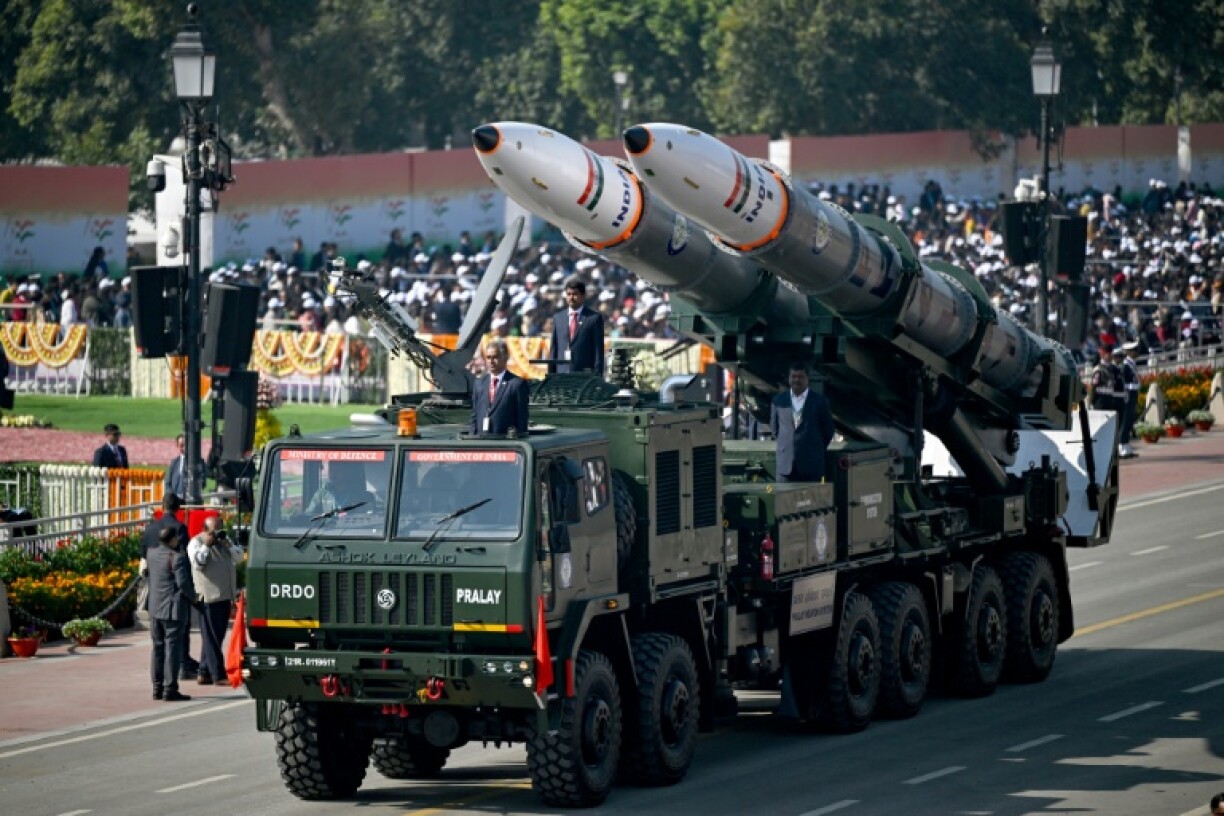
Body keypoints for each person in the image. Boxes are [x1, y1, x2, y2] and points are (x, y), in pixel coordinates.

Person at [145, 494, 196, 701]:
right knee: (172, 649)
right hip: (173, 608)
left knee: (157, 647)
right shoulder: (177, 557)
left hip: (155, 606)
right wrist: (194, 598)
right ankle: (170, 688)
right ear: (174, 539)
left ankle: (157, 687)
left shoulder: (151, 553)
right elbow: (183, 583)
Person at [187, 516, 243, 686]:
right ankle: (218, 674)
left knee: (215, 637)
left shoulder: (224, 542)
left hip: (224, 596)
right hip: (208, 598)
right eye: (214, 531)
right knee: (211, 637)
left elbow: (239, 558)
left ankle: (204, 672)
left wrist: (229, 545)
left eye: (220, 529)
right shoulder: (195, 542)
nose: (217, 534)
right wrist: (207, 544)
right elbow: (198, 563)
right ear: (205, 530)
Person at [770, 361, 835, 482]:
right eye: (793, 376)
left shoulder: (820, 402)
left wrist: (813, 448)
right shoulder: (778, 401)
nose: (796, 380)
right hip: (786, 468)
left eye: (800, 377)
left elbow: (828, 431)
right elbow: (775, 430)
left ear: (807, 379)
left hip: (811, 467)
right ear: (789, 378)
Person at [471, 339, 529, 437]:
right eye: (488, 357)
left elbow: (522, 419)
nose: (491, 361)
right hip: (480, 443)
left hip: (505, 444)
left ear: (505, 357)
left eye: (495, 357)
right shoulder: (479, 383)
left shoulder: (516, 384)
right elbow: (474, 417)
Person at [549, 277, 605, 375]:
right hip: (561, 375)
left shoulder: (593, 318)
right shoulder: (558, 318)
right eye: (569, 294)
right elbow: (554, 349)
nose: (571, 297)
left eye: (575, 294)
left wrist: (597, 377)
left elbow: (598, 351)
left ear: (583, 296)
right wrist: (551, 375)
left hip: (584, 376)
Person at [305, 460, 377, 516]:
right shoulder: (321, 494)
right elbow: (308, 516)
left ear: (347, 472)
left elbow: (368, 520)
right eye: (331, 470)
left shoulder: (363, 496)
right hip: (326, 532)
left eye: (337, 471)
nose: (333, 474)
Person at [1117, 343, 1141, 458]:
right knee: (1125, 421)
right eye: (1134, 350)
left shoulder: (1131, 364)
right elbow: (1124, 383)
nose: (1137, 352)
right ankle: (1121, 446)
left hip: (1133, 394)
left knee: (1129, 421)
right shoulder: (1125, 365)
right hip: (1128, 395)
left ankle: (1126, 445)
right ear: (1129, 352)